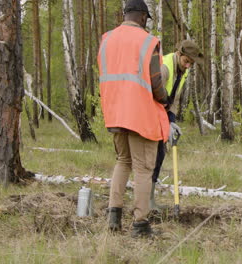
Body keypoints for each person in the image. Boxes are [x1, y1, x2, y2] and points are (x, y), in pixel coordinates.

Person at [97, 0, 169, 238]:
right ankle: (140, 224)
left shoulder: (107, 39)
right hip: (140, 114)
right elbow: (156, 80)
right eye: (146, 19)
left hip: (114, 111)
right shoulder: (148, 41)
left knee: (122, 161)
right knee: (143, 168)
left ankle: (113, 216)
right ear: (141, 17)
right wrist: (165, 100)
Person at [149, 40, 204, 210]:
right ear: (179, 54)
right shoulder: (165, 67)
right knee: (152, 156)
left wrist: (171, 121)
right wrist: (164, 122)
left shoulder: (182, 71)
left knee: (160, 154)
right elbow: (152, 97)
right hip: (150, 113)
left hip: (163, 113)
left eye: (191, 63)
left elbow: (174, 98)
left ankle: (149, 199)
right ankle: (146, 201)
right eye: (186, 61)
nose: (188, 66)